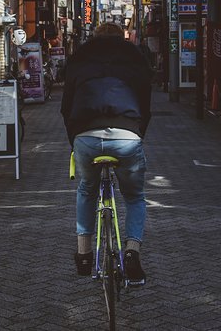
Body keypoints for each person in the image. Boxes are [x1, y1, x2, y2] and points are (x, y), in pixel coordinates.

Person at [60, 22, 152, 284]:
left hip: (86, 135)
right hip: (127, 135)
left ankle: (84, 253)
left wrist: (74, 140)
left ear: (94, 37)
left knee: (87, 189)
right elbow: (145, 103)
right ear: (122, 38)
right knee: (134, 196)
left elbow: (66, 107)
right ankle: (132, 251)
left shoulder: (80, 57)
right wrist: (138, 132)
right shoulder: (134, 57)